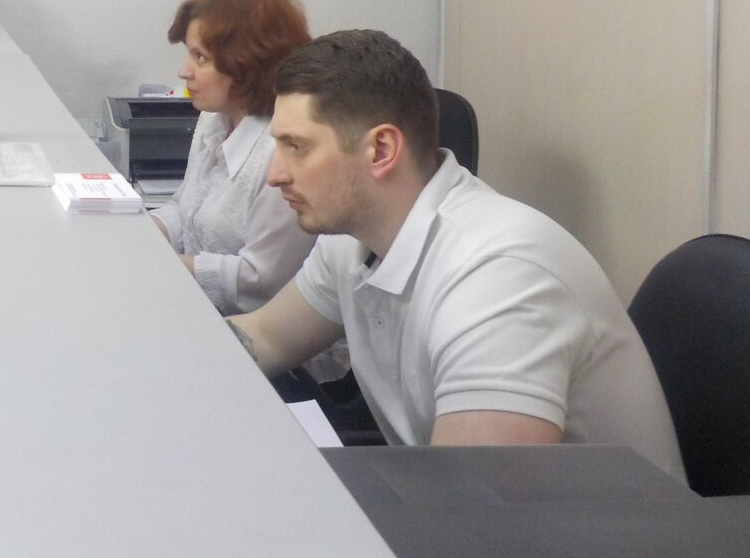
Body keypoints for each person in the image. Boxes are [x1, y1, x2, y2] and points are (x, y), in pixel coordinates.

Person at [227, 29, 685, 480]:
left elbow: (474, 499)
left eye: (297, 147)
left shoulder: (499, 278)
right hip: (468, 504)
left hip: (574, 524)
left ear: (381, 150)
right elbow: (266, 337)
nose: (275, 174)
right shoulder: (353, 238)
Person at [151, 0, 315, 315]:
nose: (184, 71)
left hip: (264, 331)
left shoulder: (282, 151)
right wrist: (140, 233)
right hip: (200, 310)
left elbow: (261, 281)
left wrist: (156, 264)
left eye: (200, 57)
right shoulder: (213, 119)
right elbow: (185, 210)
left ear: (247, 64)